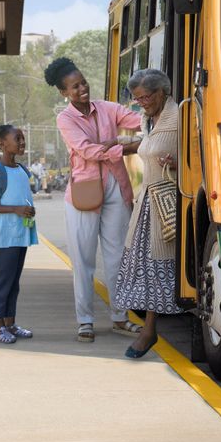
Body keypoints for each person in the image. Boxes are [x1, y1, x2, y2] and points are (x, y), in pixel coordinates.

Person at [48, 56, 145, 343]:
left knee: (118, 257)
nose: (82, 89)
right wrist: (122, 146)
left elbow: (138, 120)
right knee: (83, 259)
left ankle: (119, 317)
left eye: (84, 83)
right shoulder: (65, 118)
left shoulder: (106, 108)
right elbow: (87, 150)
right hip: (84, 192)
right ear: (64, 93)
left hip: (116, 186)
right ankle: (85, 320)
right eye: (75, 87)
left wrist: (154, 116)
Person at [114, 69, 181, 359]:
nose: (141, 102)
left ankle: (149, 331)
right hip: (148, 203)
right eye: (137, 98)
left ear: (161, 92)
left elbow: (198, 154)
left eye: (145, 97)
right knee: (145, 268)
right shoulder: (148, 120)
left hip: (169, 203)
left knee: (159, 268)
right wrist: (116, 144)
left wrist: (177, 162)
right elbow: (146, 145)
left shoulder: (180, 117)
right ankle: (148, 329)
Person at [0, 123, 38, 344]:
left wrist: (28, 210)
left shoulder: (22, 170)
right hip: (5, 237)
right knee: (2, 282)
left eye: (23, 138)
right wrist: (15, 209)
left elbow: (22, 198)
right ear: (3, 144)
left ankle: (11, 324)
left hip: (21, 234)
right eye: (18, 139)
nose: (22, 142)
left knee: (14, 282)